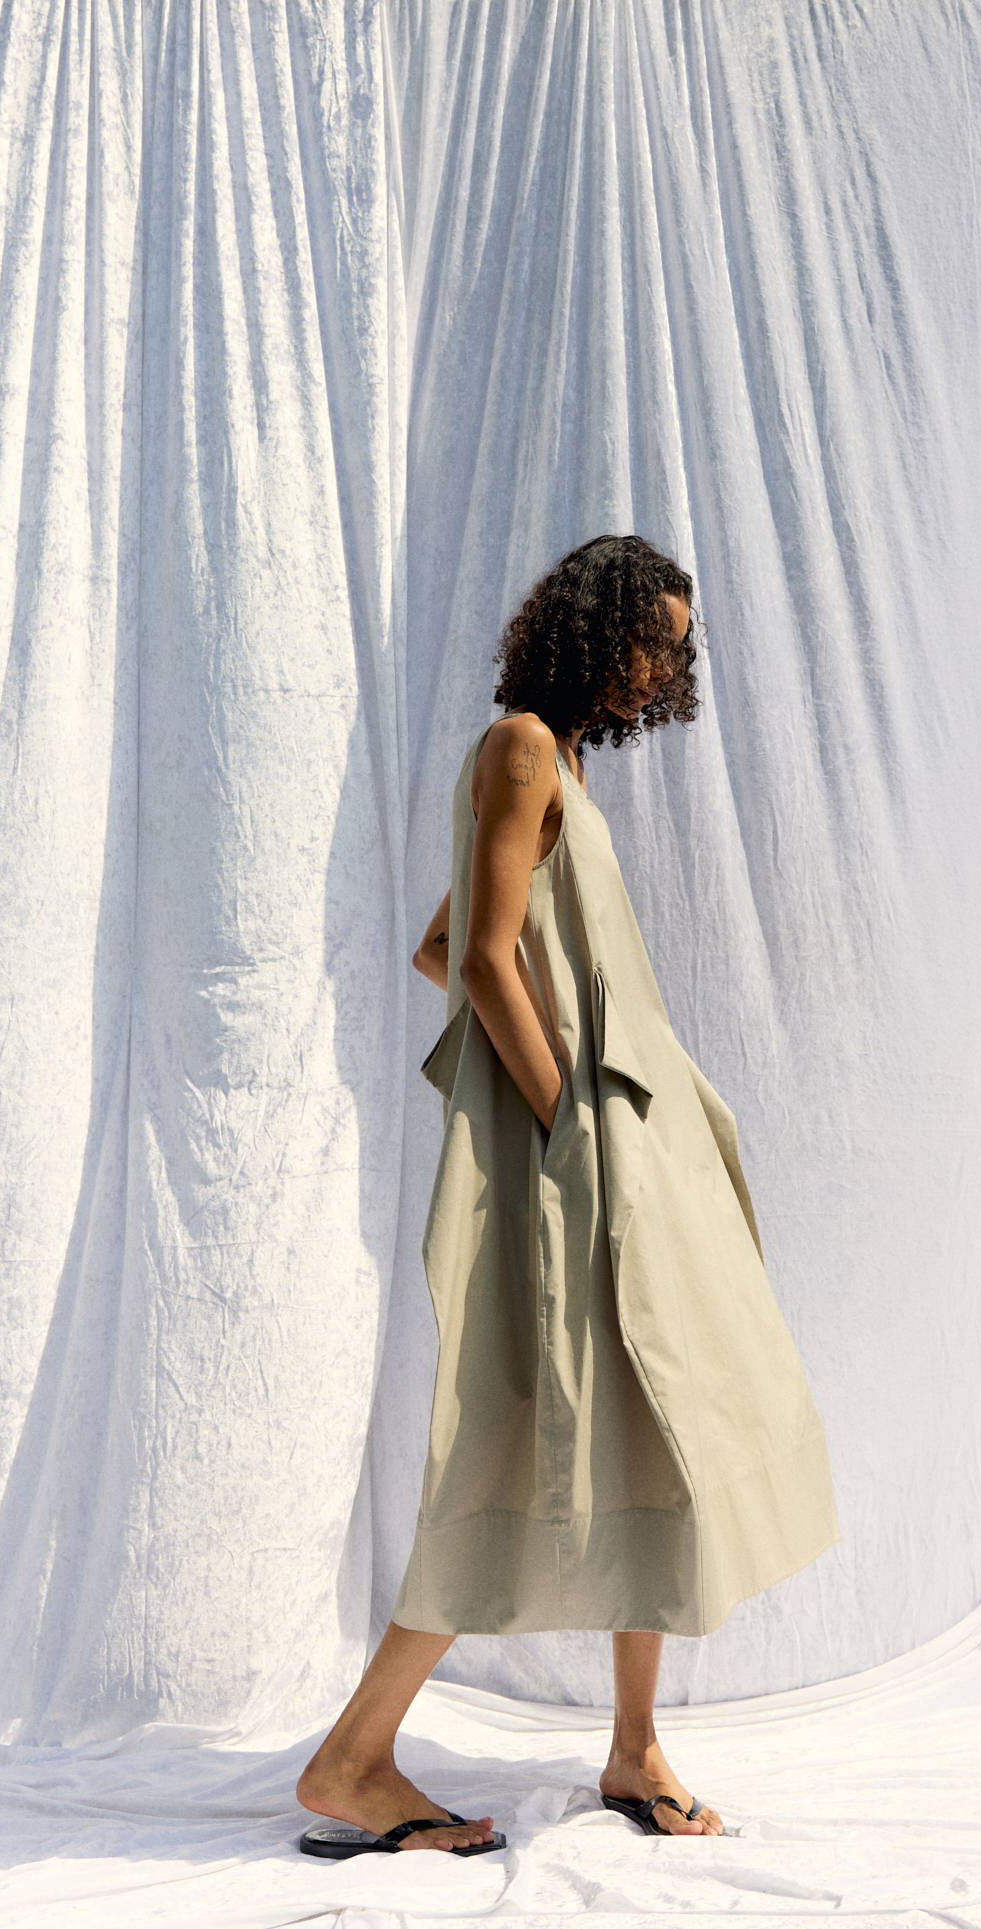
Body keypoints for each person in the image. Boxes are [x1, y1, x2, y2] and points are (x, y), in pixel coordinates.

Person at [295, 536, 839, 1858]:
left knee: (657, 1427)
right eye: (660, 635)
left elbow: (447, 942)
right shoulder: (524, 747)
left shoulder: (557, 762)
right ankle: (354, 1759)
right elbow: (480, 961)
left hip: (625, 1154)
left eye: (680, 642)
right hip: (586, 1167)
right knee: (506, 1451)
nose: (672, 662)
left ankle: (636, 1746)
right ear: (599, 630)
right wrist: (562, 1125)